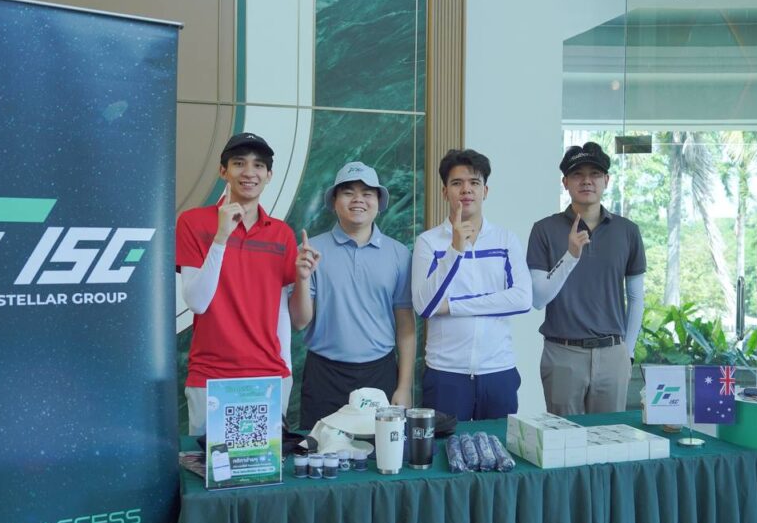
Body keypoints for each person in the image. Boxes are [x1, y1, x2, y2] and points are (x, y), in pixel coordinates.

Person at [176, 132, 321, 435]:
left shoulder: (281, 234)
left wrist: (303, 278)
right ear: (223, 171)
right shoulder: (193, 222)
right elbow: (197, 302)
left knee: (263, 465)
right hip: (210, 377)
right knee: (212, 465)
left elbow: (294, 319)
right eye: (239, 163)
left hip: (268, 378)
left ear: (269, 176)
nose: (249, 172)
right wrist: (221, 237)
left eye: (258, 165)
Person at [291, 161, 416, 429]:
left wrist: (404, 386)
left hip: (380, 373)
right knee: (321, 450)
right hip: (324, 375)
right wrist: (302, 277)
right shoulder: (311, 250)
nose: (358, 199)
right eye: (348, 192)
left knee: (379, 450)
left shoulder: (399, 254)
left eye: (367, 193)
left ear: (379, 203)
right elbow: (299, 322)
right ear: (334, 202)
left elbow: (406, 326)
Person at [411, 149, 532, 421]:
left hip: (499, 371)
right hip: (445, 373)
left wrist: (452, 306)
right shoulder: (428, 242)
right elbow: (424, 306)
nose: (466, 190)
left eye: (474, 183)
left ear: (485, 191)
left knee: (500, 446)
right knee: (444, 448)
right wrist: (455, 249)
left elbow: (523, 299)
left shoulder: (505, 239)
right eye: (457, 183)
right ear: (445, 192)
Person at [527, 141, 646, 415]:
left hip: (613, 354)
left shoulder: (627, 231)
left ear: (606, 180)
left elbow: (636, 297)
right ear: (565, 182)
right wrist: (570, 255)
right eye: (577, 174)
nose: (587, 181)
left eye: (595, 174)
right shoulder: (544, 229)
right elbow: (537, 298)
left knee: (610, 436)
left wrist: (626, 352)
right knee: (563, 438)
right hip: (562, 354)